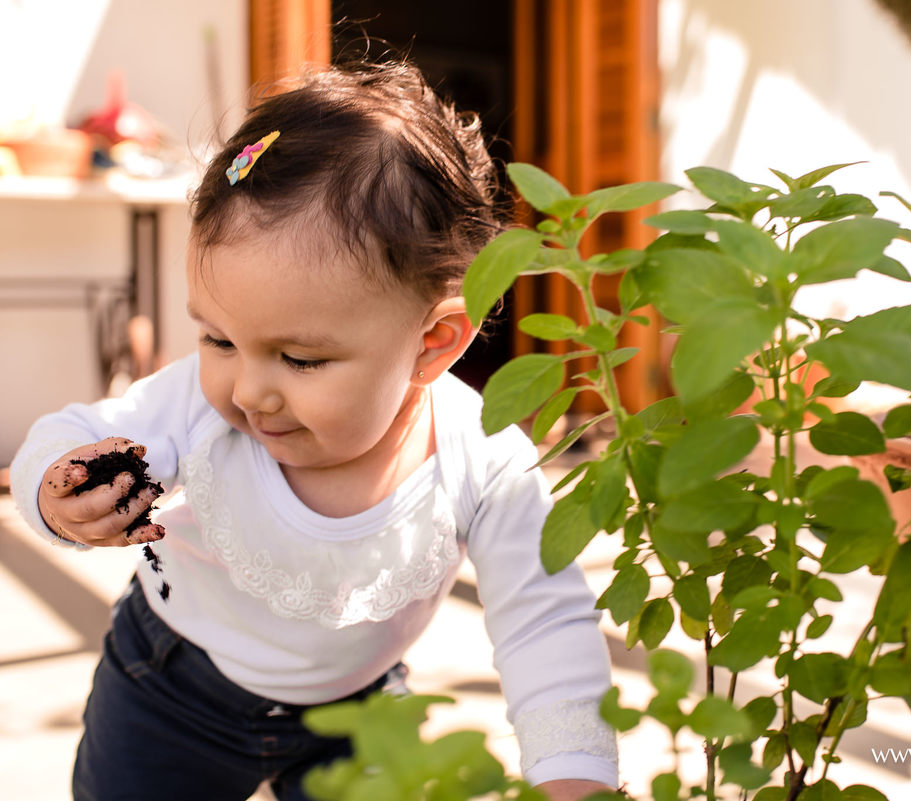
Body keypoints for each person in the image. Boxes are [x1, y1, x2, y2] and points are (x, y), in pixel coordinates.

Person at [10, 61, 617, 801]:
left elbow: (545, 626)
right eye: (218, 338)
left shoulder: (483, 459)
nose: (248, 388)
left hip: (358, 709)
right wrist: (57, 491)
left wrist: (575, 779)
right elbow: (73, 432)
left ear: (433, 342)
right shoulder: (197, 408)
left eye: (299, 357)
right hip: (168, 687)